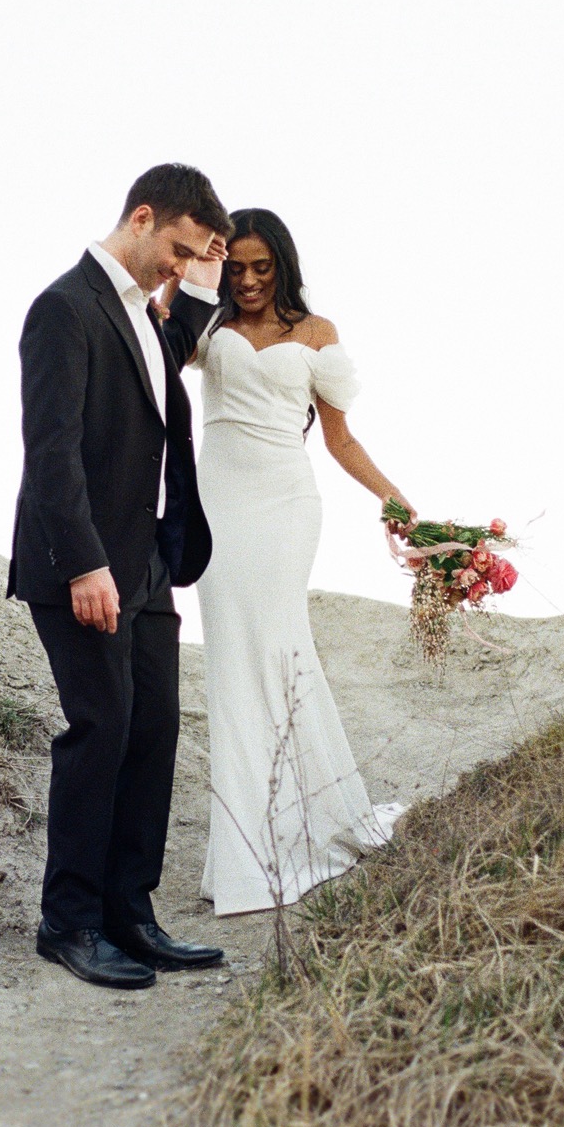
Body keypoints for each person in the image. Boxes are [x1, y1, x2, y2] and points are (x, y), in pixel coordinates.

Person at [6, 163, 231, 988]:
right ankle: (69, 921)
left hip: (148, 567)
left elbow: (168, 363)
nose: (180, 267)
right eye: (177, 249)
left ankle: (130, 912)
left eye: (191, 258)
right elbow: (51, 451)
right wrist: (85, 563)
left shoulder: (147, 312)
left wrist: (203, 275)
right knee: (101, 730)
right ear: (140, 218)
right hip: (82, 565)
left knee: (153, 731)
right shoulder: (64, 308)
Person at [165, 207, 411, 915]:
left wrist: (396, 500)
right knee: (231, 659)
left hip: (286, 505)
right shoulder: (207, 324)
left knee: (278, 644)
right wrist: (198, 271)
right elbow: (159, 342)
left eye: (261, 267)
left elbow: (340, 440)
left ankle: (312, 820)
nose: (247, 280)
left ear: (283, 265)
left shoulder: (316, 333)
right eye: (236, 267)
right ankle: (248, 848)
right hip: (219, 504)